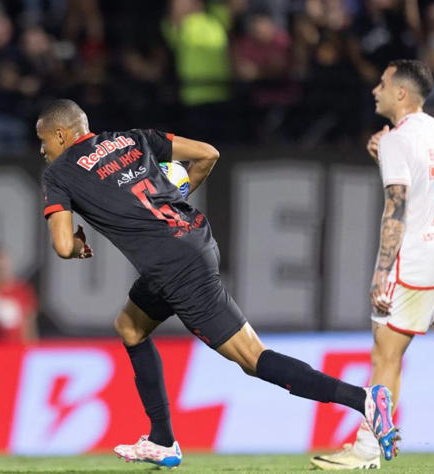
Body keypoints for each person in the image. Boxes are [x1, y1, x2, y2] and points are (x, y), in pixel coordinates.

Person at [36, 99, 399, 468]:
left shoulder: (59, 174)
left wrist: (79, 247)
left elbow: (63, 245)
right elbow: (208, 154)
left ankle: (365, 400)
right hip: (194, 240)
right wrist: (173, 200)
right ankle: (162, 440)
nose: (42, 149)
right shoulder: (134, 139)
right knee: (129, 327)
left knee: (253, 359)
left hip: (176, 268)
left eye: (44, 140)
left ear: (62, 134)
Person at [311, 60, 434, 470]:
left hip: (416, 262)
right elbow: (424, 184)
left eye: (382, 83)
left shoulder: (397, 139)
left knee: (386, 355)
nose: (375, 89)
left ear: (400, 93)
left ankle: (366, 448)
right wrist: (385, 150)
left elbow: (396, 207)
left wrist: (381, 272)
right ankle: (369, 444)